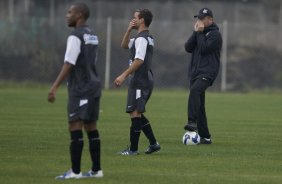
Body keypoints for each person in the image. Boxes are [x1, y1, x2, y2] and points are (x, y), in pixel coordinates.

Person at [47, 2, 103, 179]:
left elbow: (69, 62)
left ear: (79, 15)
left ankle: (76, 172)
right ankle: (96, 171)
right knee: (91, 126)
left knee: (75, 125)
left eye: (70, 12)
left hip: (81, 88)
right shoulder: (93, 35)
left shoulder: (75, 36)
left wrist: (54, 86)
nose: (67, 15)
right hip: (94, 85)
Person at [114, 9, 160, 155]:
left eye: (134, 18)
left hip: (140, 80)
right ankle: (153, 144)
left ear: (141, 20)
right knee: (137, 113)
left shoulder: (141, 39)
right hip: (144, 79)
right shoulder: (145, 37)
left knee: (134, 113)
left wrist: (123, 75)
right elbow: (124, 45)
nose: (132, 20)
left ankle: (133, 150)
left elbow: (139, 60)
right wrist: (128, 30)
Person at [183, 8, 222, 144]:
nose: (199, 21)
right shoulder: (199, 33)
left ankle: (192, 122)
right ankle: (205, 137)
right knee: (199, 105)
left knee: (195, 91)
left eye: (202, 18)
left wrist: (199, 34)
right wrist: (196, 33)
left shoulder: (215, 35)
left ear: (210, 20)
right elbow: (188, 47)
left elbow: (204, 48)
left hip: (207, 72)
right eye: (198, 18)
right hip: (195, 72)